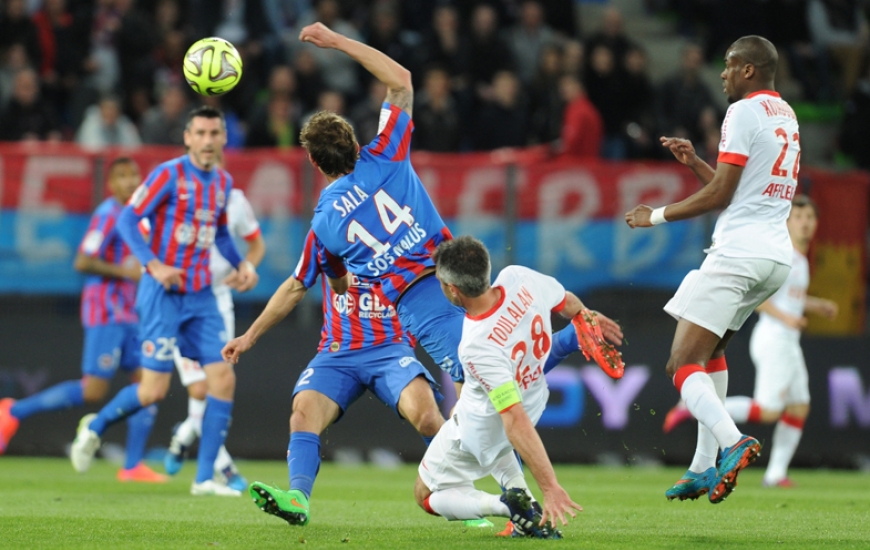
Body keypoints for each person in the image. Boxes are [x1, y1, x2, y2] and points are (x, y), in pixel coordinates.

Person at [290, 22, 623, 403]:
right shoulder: (386, 153)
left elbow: (337, 283)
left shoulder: (325, 221)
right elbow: (400, 79)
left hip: (419, 297)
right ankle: (506, 450)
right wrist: (336, 41)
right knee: (477, 398)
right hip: (454, 270)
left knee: (488, 384)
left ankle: (567, 340)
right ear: (352, 139)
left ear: (315, 162)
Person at [625, 35, 799, 503]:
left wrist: (654, 216)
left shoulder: (741, 112)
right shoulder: (786, 114)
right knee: (709, 350)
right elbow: (742, 191)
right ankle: (702, 466)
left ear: (748, 70)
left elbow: (721, 197)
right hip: (773, 257)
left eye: (728, 65)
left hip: (738, 253)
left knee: (681, 364)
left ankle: (732, 441)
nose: (721, 74)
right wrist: (698, 163)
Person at [68, 106, 259, 497]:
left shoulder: (222, 182)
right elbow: (128, 220)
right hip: (162, 295)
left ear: (223, 139)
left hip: (202, 294)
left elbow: (221, 233)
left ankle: (204, 478)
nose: (207, 140)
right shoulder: (168, 175)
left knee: (222, 378)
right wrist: (154, 265)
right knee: (153, 389)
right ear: (187, 137)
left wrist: (242, 265)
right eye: (200, 133)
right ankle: (95, 427)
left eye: (214, 133)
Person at [222, 228, 444, 527]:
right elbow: (295, 286)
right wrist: (250, 336)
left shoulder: (402, 228)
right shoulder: (325, 231)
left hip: (391, 349)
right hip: (337, 353)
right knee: (302, 413)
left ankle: (462, 494)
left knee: (428, 417)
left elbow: (439, 277)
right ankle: (298, 499)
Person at [416, 236, 619, 538]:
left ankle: (505, 506)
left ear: (452, 288)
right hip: (533, 397)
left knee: (425, 495)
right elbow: (567, 303)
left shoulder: (476, 344)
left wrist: (551, 487)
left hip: (482, 428)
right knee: (501, 445)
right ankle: (531, 520)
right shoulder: (519, 277)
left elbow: (512, 419)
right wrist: (585, 315)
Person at [0, 158, 166, 483]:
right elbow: (82, 260)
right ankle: (12, 411)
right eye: (122, 176)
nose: (130, 181)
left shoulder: (137, 216)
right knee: (92, 390)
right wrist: (125, 271)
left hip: (131, 313)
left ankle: (132, 465)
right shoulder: (107, 215)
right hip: (105, 312)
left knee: (148, 382)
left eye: (133, 174)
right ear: (112, 184)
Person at [663, 195, 837, 487]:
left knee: (798, 406)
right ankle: (694, 406)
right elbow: (760, 299)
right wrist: (787, 318)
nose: (805, 224)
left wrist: (816, 306)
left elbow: (789, 298)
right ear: (786, 221)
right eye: (799, 218)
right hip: (774, 336)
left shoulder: (799, 259)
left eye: (810, 218)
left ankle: (775, 474)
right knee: (769, 409)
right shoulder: (782, 256)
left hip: (788, 339)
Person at [164, 175, 266, 493]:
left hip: (218, 304)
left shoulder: (234, 200)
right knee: (198, 389)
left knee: (217, 384)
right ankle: (220, 466)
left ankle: (186, 438)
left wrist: (246, 268)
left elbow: (256, 245)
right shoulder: (177, 197)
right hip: (181, 301)